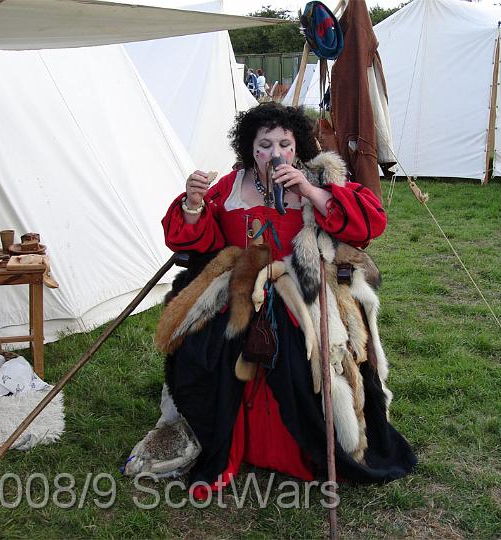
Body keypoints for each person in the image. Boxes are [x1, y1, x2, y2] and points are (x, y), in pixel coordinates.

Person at [157, 102, 416, 498]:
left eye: (284, 143)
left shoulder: (319, 179)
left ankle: (314, 444)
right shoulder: (230, 185)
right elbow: (200, 240)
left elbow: (367, 224)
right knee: (207, 345)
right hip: (241, 281)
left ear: (298, 147)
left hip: (303, 283)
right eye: (264, 144)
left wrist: (310, 192)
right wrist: (193, 204)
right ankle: (219, 444)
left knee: (298, 351)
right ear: (250, 147)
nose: (275, 152)